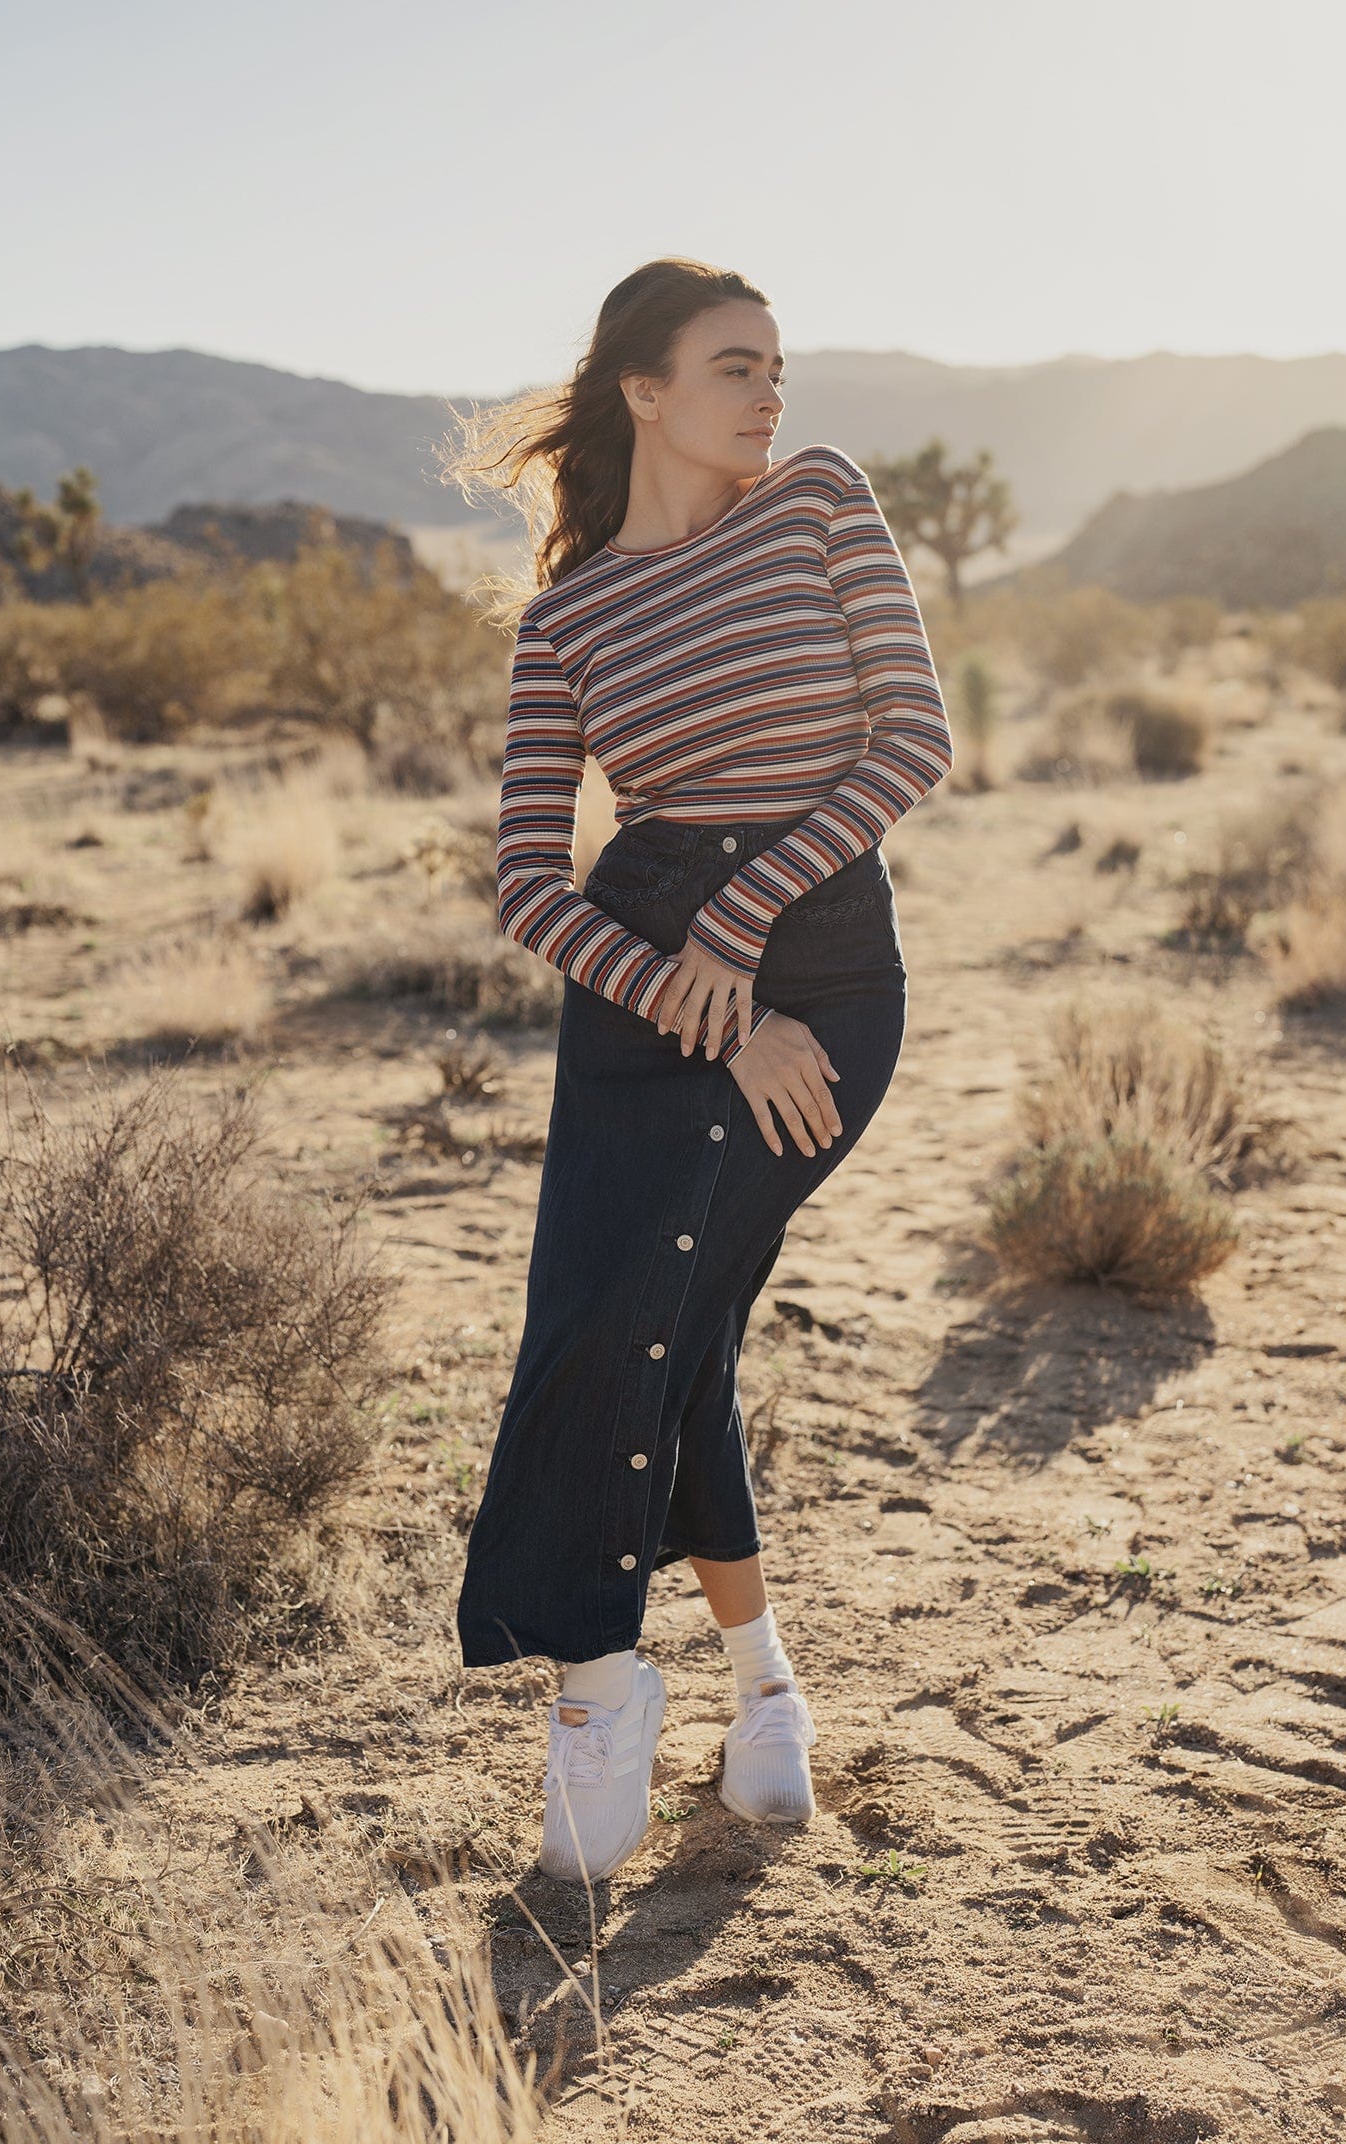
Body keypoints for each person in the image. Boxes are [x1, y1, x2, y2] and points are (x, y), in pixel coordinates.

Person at [440, 256, 953, 1886]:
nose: (771, 393)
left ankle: (651, 1687)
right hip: (648, 979)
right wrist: (703, 987)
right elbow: (526, 879)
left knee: (655, 1299)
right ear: (643, 392)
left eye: (777, 366)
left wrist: (742, 930)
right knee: (637, 1312)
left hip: (822, 960)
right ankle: (681, 1687)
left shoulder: (816, 502)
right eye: (736, 367)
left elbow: (912, 739)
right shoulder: (569, 615)